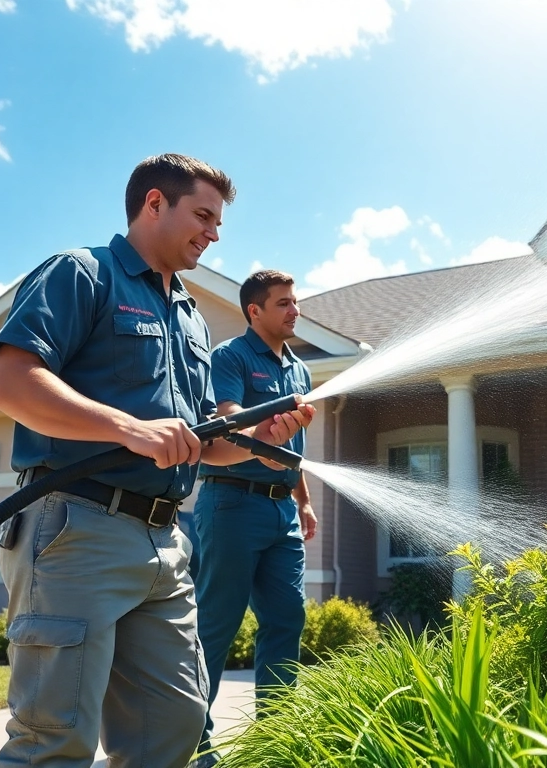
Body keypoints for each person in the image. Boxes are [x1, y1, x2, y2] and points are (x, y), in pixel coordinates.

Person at [0, 154, 314, 768]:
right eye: (204, 216)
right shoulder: (83, 273)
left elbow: (197, 440)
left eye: (219, 223)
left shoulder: (189, 316)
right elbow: (11, 384)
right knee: (55, 738)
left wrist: (260, 439)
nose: (214, 234)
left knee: (172, 731)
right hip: (76, 530)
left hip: (164, 539)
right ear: (155, 203)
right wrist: (127, 428)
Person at [191, 269, 316, 766]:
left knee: (287, 617)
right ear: (254, 311)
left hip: (281, 508)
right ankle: (195, 743)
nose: (294, 310)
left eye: (295, 301)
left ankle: (275, 741)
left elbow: (294, 448)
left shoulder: (300, 371)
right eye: (283, 303)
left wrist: (303, 500)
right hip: (232, 503)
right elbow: (230, 418)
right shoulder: (231, 357)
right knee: (217, 624)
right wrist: (262, 436)